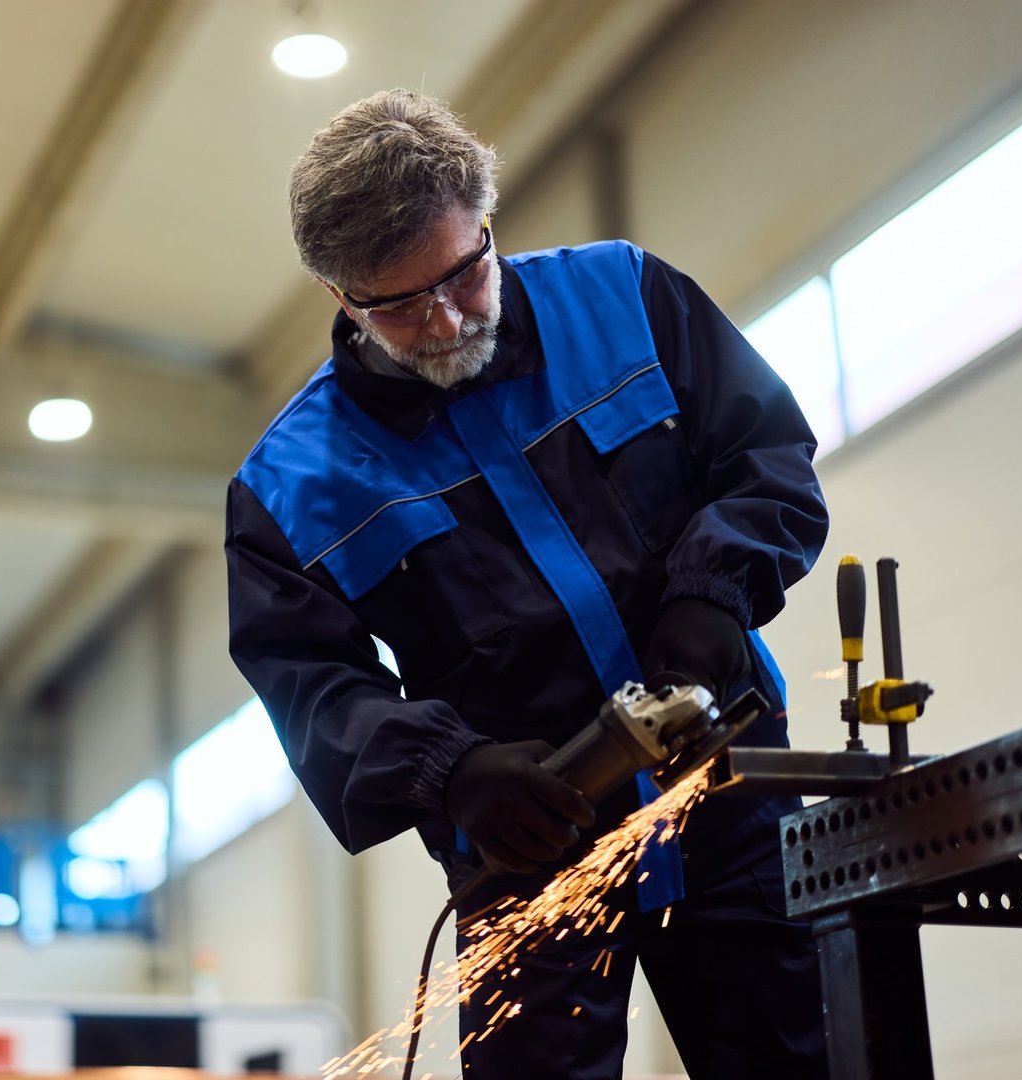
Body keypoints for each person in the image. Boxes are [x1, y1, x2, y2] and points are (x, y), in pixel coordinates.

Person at [224, 89, 831, 1078]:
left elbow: (765, 454)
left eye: (465, 273)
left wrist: (709, 593)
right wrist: (450, 775)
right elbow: (312, 687)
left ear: (484, 221)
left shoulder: (626, 299)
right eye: (402, 304)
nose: (449, 318)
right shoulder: (291, 486)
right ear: (340, 298)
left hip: (729, 799)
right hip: (527, 842)